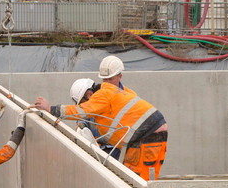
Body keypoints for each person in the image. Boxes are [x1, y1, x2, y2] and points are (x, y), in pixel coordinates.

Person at [34, 56, 168, 181]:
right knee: (130, 176)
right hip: (141, 138)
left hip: (148, 135)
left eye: (110, 79)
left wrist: (51, 109)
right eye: (106, 80)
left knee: (139, 180)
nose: (108, 83)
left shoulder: (103, 94)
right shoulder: (119, 93)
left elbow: (80, 111)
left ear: (89, 94)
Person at [69, 77, 120, 159]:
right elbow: (83, 115)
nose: (84, 107)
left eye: (83, 103)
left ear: (89, 95)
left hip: (117, 149)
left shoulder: (109, 100)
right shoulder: (91, 106)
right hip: (103, 150)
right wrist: (81, 124)